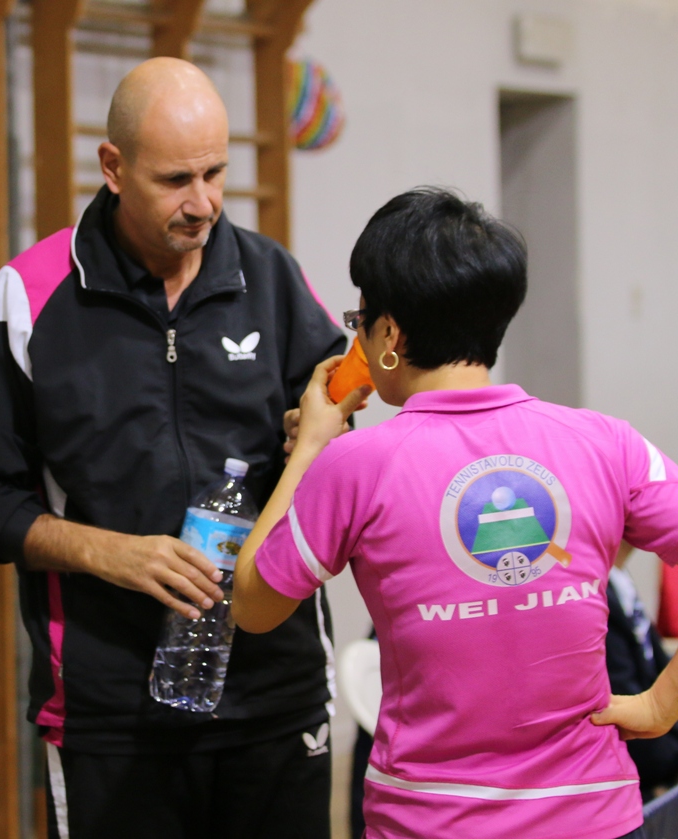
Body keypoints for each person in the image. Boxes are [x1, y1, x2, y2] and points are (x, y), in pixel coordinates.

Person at [0, 58, 346, 839]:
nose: (204, 203)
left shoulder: (274, 278)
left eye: (217, 172)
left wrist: (317, 435)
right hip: (111, 715)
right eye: (176, 179)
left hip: (276, 698)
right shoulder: (20, 302)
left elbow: (330, 433)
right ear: (113, 168)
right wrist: (110, 553)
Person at [231, 187, 678, 838]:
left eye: (363, 319)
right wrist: (664, 702)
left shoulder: (355, 464)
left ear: (388, 335)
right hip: (598, 819)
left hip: (432, 822)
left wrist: (312, 448)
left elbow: (253, 603)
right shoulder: (607, 442)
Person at [606, 542, 678, 801]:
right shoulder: (592, 589)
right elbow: (619, 688)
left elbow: (655, 665)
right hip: (636, 771)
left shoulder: (621, 578)